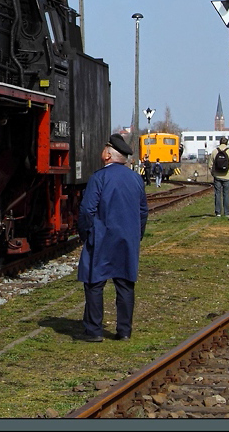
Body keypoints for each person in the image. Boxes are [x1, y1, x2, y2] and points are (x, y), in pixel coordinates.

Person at [76, 134, 149, 343]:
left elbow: (87, 210)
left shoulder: (99, 178)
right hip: (127, 239)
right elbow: (143, 212)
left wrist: (85, 234)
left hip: (101, 238)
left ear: (108, 154)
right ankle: (124, 330)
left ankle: (94, 330)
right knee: (125, 284)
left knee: (94, 283)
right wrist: (137, 235)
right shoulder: (136, 179)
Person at [208, 137, 229, 217]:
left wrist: (213, 173)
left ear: (220, 142)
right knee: (226, 194)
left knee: (217, 194)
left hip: (217, 176)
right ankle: (227, 212)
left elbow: (210, 165)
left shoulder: (214, 151)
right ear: (227, 143)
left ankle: (218, 212)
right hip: (227, 176)